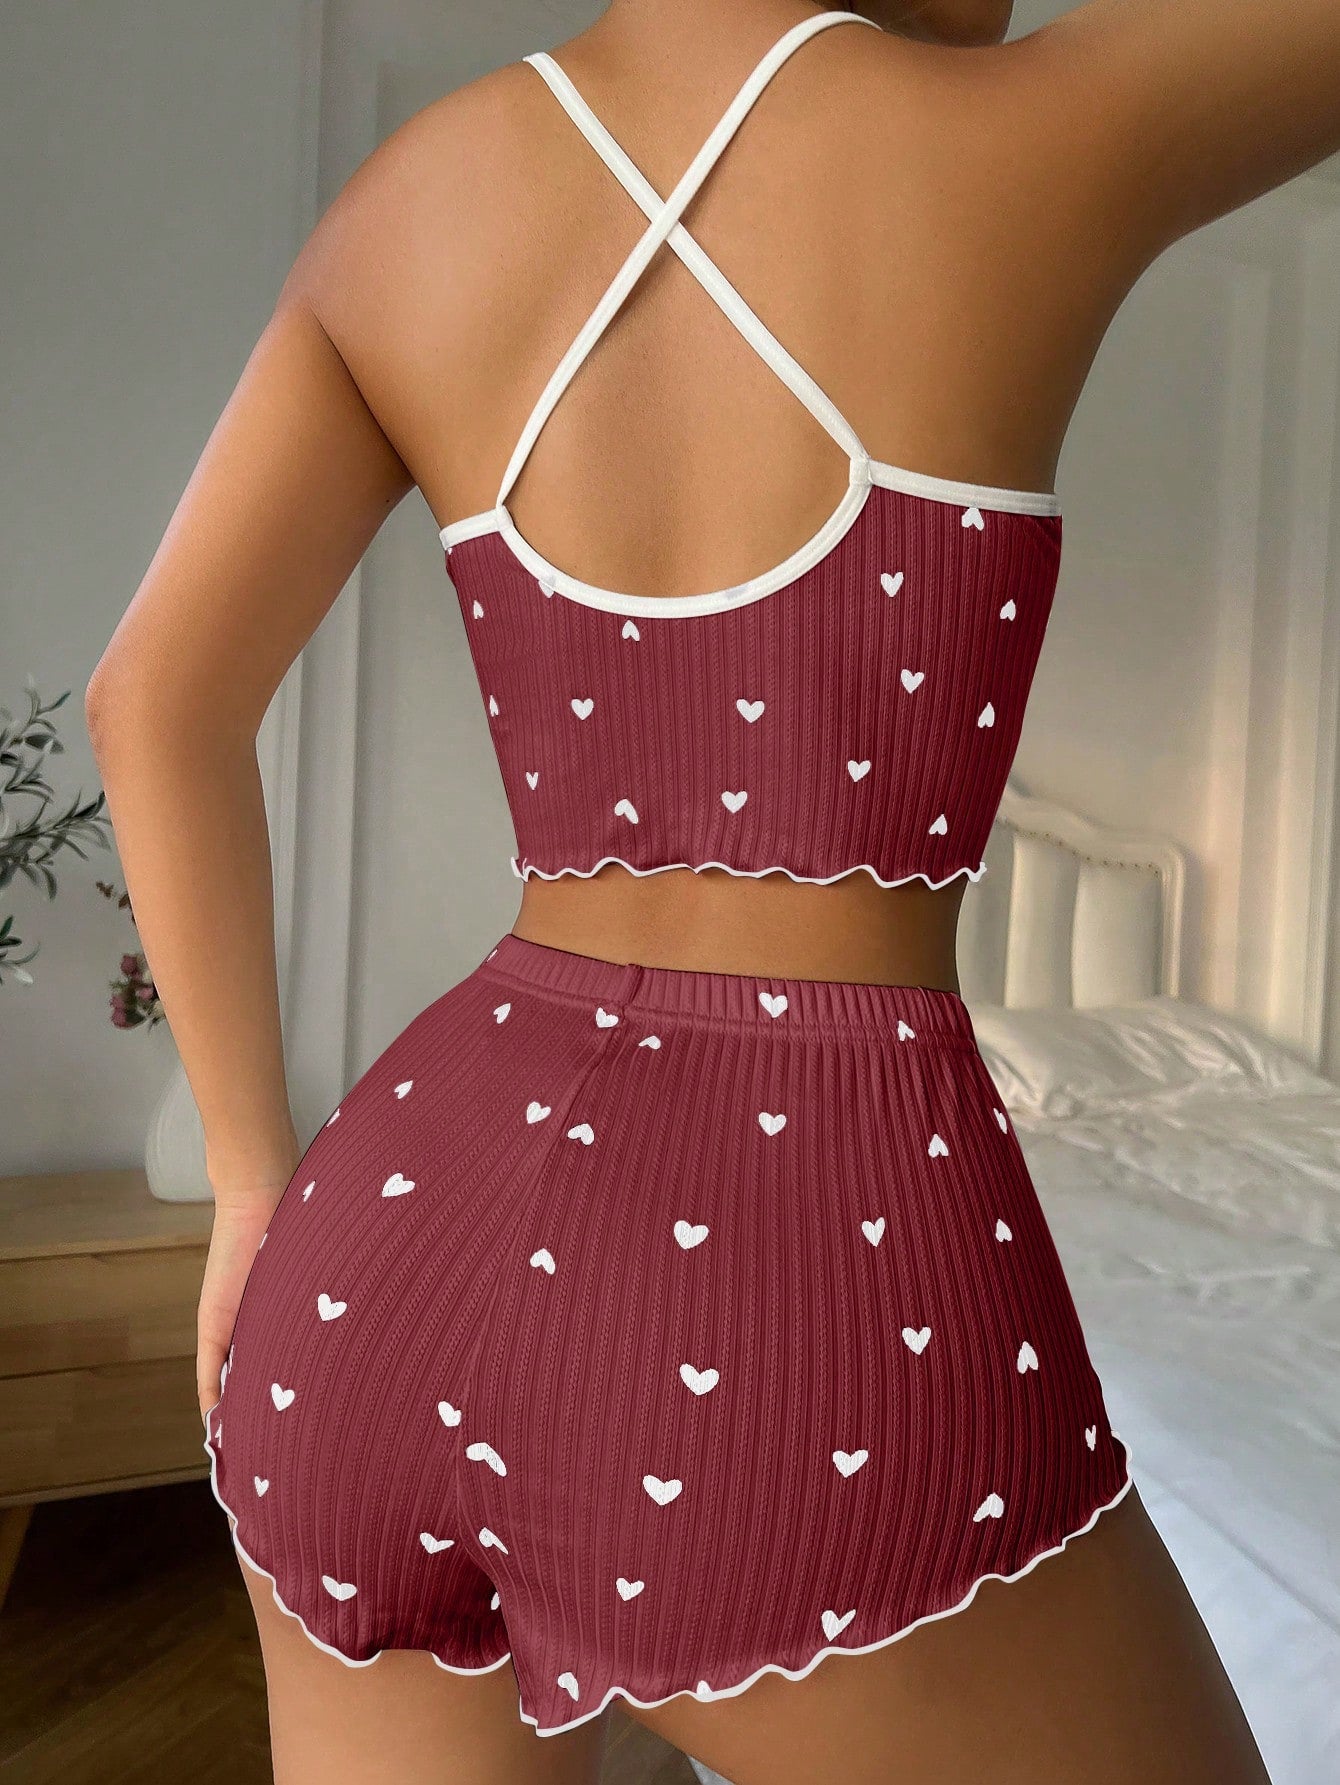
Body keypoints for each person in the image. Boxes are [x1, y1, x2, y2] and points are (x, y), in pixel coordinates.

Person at [84, 2, 1339, 1781]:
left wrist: (244, 1179)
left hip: (375, 1267)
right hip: (802, 1259)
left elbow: (152, 698)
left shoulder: (400, 208)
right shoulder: (1016, 137)